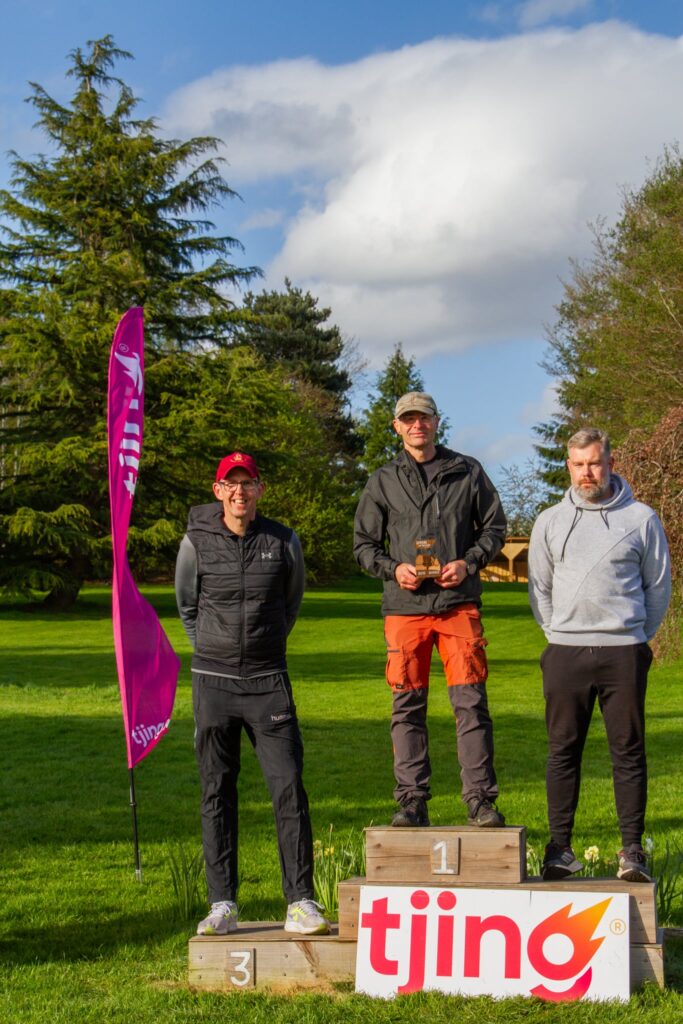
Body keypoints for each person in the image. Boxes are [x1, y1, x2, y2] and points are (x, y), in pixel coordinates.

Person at [175, 451, 330, 936]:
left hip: (268, 684)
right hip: (213, 684)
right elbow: (186, 606)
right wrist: (215, 652)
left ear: (260, 490)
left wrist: (263, 649)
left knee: (288, 788)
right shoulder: (195, 541)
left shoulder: (283, 541)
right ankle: (222, 903)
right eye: (231, 483)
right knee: (216, 793)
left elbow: (292, 601)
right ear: (218, 491)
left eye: (248, 483)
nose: (240, 491)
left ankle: (300, 901)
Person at [353, 392, 507, 828]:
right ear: (397, 426)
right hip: (405, 610)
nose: (417, 425)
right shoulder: (382, 480)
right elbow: (363, 546)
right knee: (407, 707)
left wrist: (468, 562)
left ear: (437, 422)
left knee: (471, 704)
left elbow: (495, 528)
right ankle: (411, 801)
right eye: (408, 419)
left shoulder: (467, 471)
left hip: (458, 606)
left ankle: (480, 800)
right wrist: (392, 568)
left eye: (424, 417)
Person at [528, 428, 671, 882]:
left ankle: (631, 851)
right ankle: (559, 850)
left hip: (623, 653)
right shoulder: (549, 521)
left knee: (628, 752)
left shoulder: (642, 519)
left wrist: (633, 636)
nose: (586, 473)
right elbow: (540, 588)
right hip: (565, 652)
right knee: (562, 751)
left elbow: (658, 588)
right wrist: (560, 632)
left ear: (609, 463)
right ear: (567, 466)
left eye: (594, 463)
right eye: (577, 464)